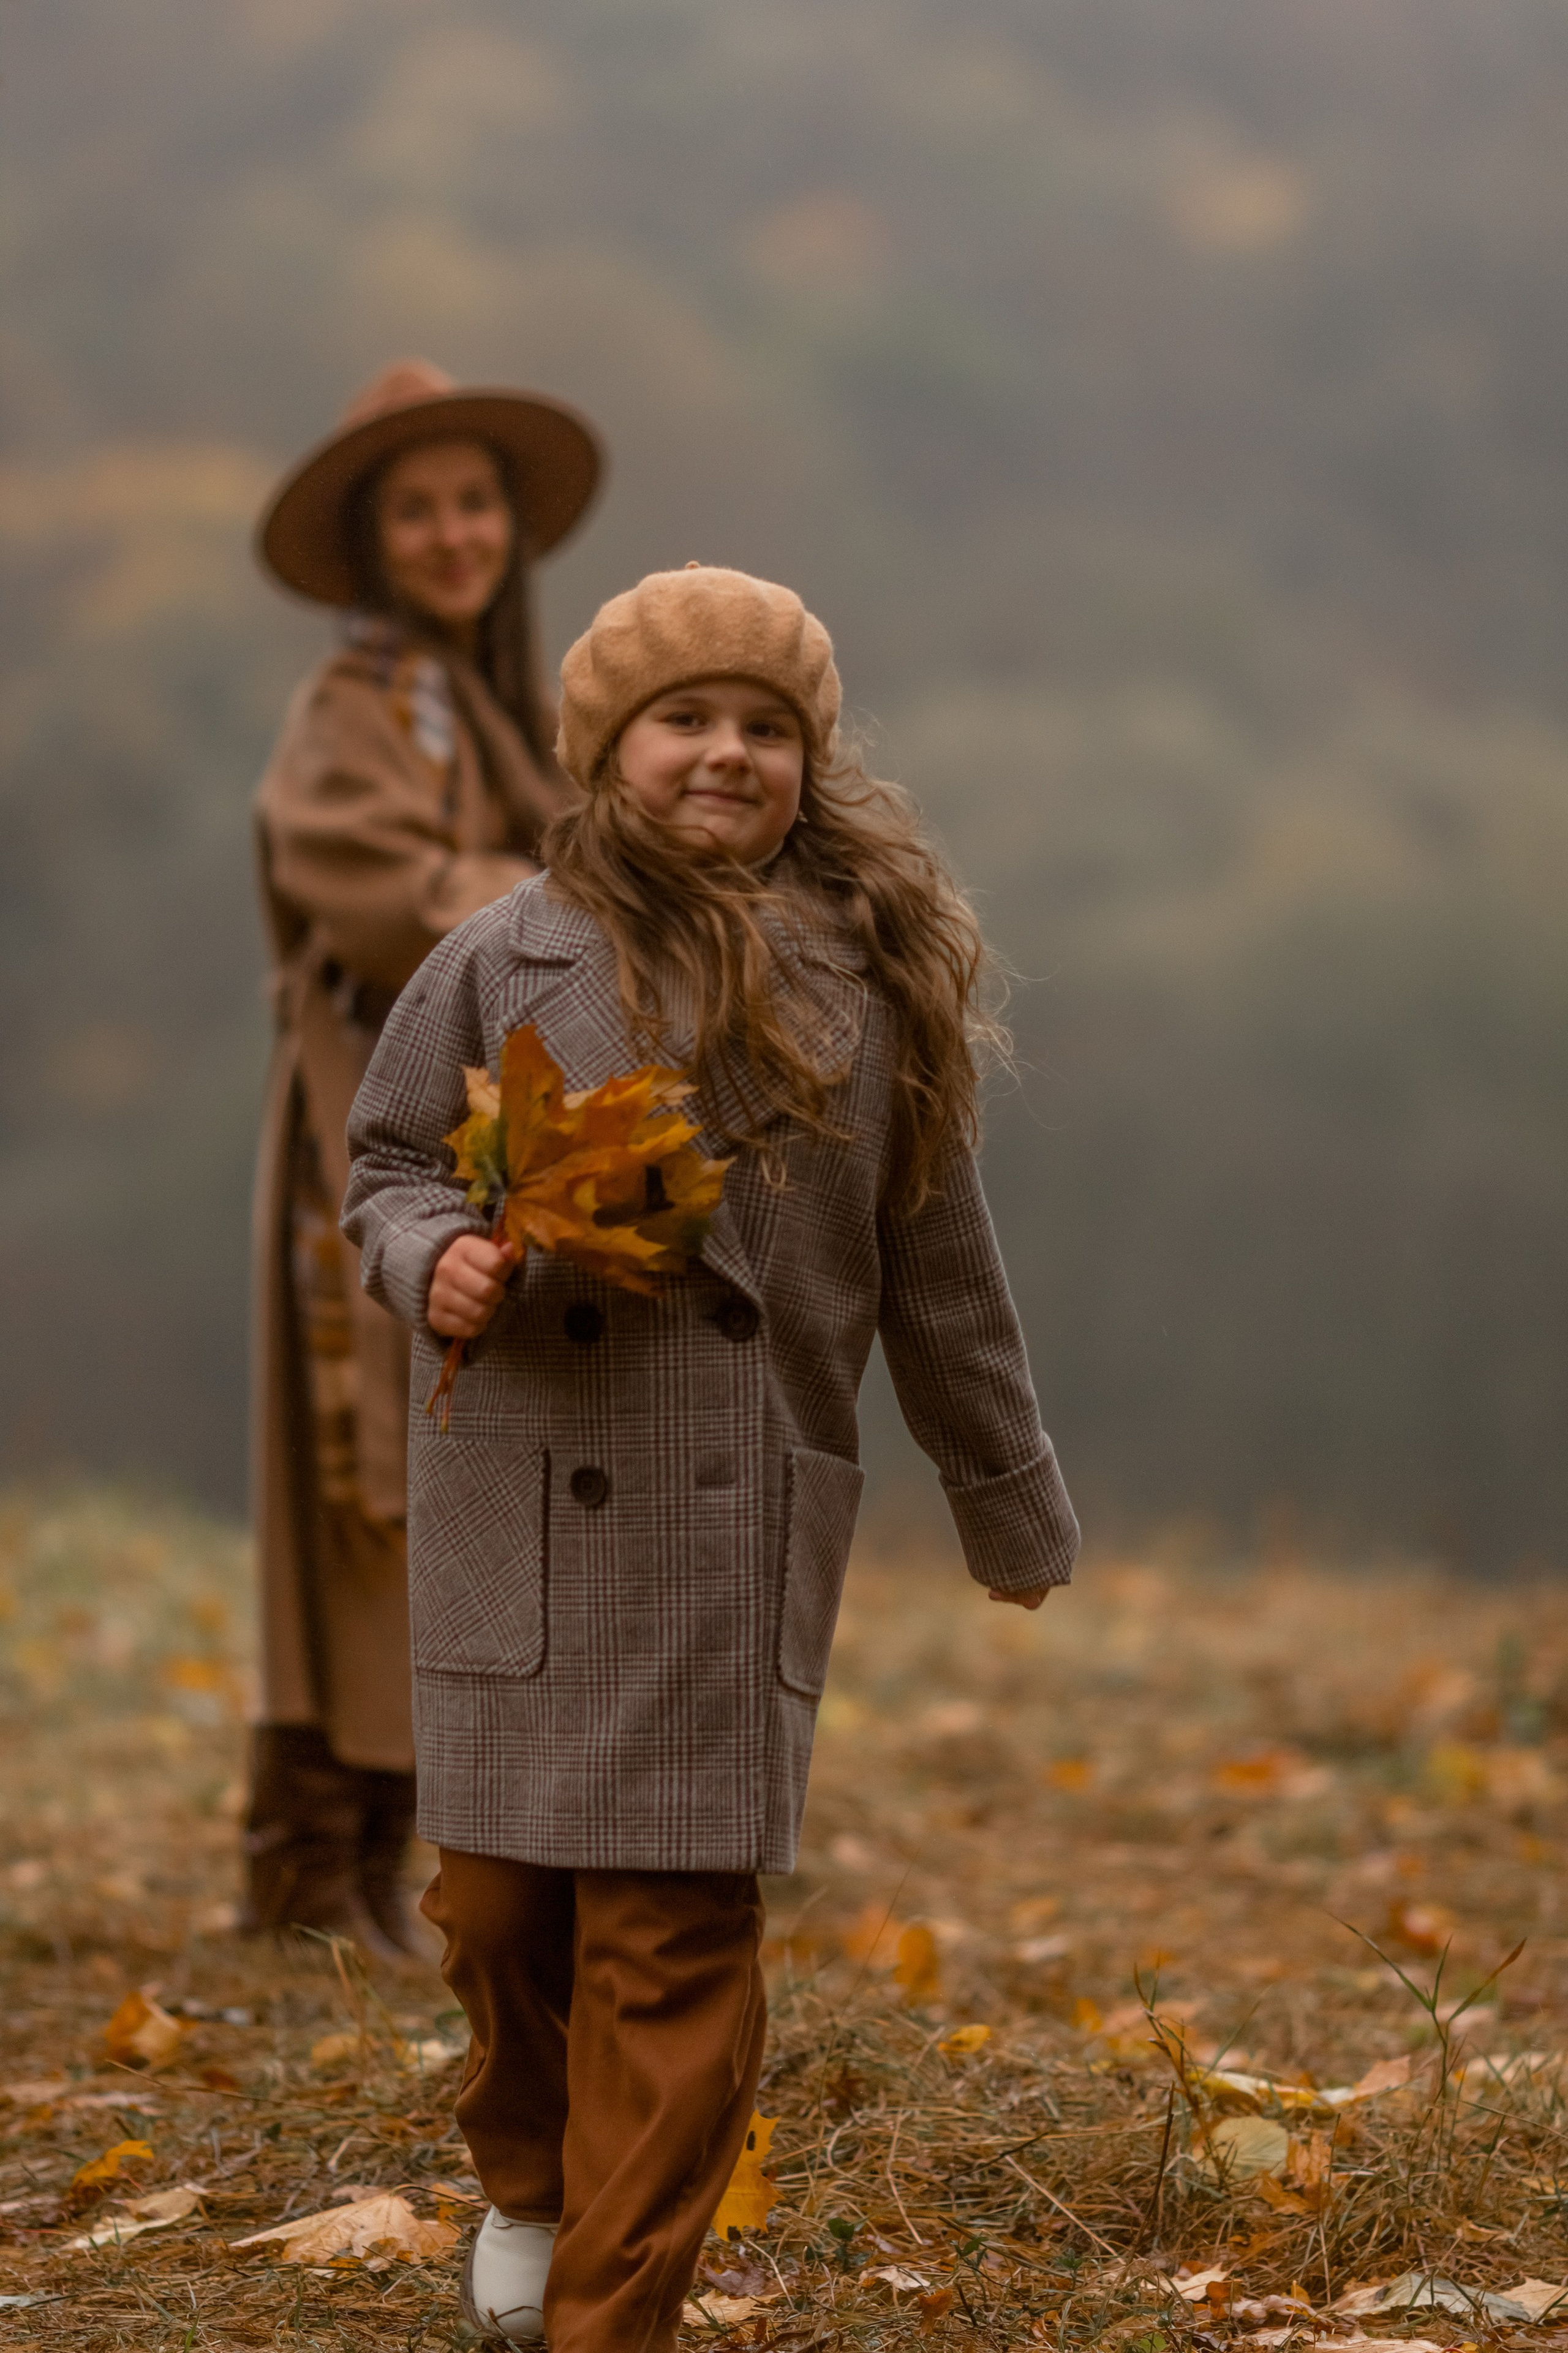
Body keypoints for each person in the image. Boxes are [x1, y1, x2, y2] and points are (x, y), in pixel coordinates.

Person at [341, 564, 1079, 2347]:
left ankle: (615, 2318)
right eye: (688, 720)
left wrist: (1003, 1485)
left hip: (720, 1520)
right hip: (524, 1488)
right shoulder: (496, 955)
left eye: (767, 727)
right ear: (608, 749)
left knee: (671, 1931)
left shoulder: (873, 986)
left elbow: (941, 1262)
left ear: (810, 765)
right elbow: (385, 1162)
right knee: (502, 1908)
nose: (727, 753)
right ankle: (530, 2180)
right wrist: (424, 1254)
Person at [246, 359, 603, 1955]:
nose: (455, 533)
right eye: (420, 508)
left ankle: (385, 1852)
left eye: (475, 502)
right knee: (355, 1483)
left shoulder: (500, 705)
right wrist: (577, 906)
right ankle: (306, 1864)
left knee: (431, 1477)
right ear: (377, 541)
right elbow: (379, 890)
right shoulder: (357, 709)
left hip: (469, 1137)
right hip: (364, 1130)